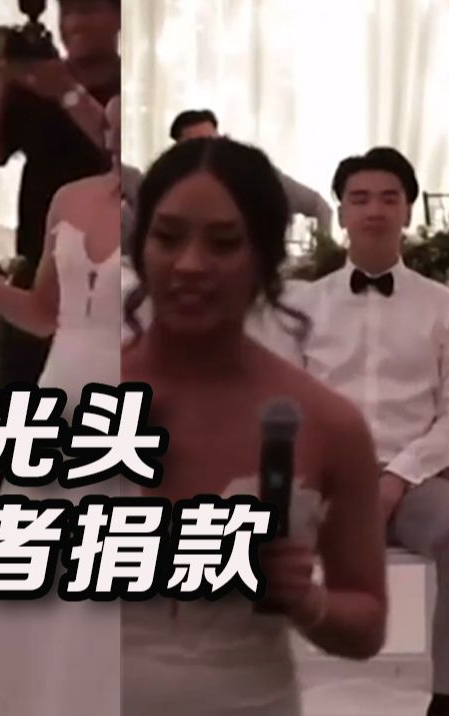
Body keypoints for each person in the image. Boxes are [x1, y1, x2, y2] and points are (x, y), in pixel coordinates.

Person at [121, 137, 388, 715]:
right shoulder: (76, 400)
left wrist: (307, 601)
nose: (189, 264)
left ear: (264, 259)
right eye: (168, 237)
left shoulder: (327, 424)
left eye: (222, 243)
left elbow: (367, 622)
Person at [0, 96, 123, 716]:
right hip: (61, 388)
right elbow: (44, 314)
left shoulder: (177, 212)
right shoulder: (69, 198)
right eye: (113, 125)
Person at [282, 147, 449, 716]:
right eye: (360, 198)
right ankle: (251, 683)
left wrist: (397, 477)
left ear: (408, 211)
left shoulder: (447, 308)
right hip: (324, 479)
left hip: (416, 479)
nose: (374, 210)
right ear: (342, 213)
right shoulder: (302, 307)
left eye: (388, 198)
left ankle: (445, 698)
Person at [0, 0, 120, 389]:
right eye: (67, 12)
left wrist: (68, 93)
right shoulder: (37, 88)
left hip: (108, 280)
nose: (75, 23)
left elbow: (121, 152)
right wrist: (2, 80)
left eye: (89, 10)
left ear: (119, 17)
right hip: (38, 271)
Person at [168, 108, 334, 233]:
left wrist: (322, 253)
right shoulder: (168, 186)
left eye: (213, 141)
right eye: (197, 145)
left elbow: (319, 206)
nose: (208, 150)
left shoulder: (255, 173)